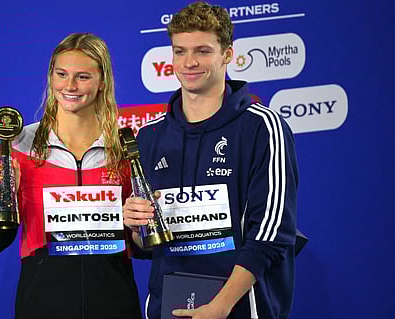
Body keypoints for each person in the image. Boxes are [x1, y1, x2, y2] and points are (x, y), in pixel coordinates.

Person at [123, 2, 299, 319]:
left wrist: (221, 306)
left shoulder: (263, 127)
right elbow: (147, 245)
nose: (189, 62)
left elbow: (271, 235)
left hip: (240, 308)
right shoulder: (149, 137)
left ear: (227, 54)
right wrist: (136, 227)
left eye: (203, 51)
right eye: (179, 51)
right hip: (169, 306)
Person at [0, 33, 142, 319]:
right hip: (43, 301)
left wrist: (138, 223)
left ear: (102, 81)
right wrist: (3, 197)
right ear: (51, 77)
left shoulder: (125, 147)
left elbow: (144, 246)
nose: (69, 86)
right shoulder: (20, 144)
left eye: (82, 76)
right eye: (62, 74)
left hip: (114, 301)